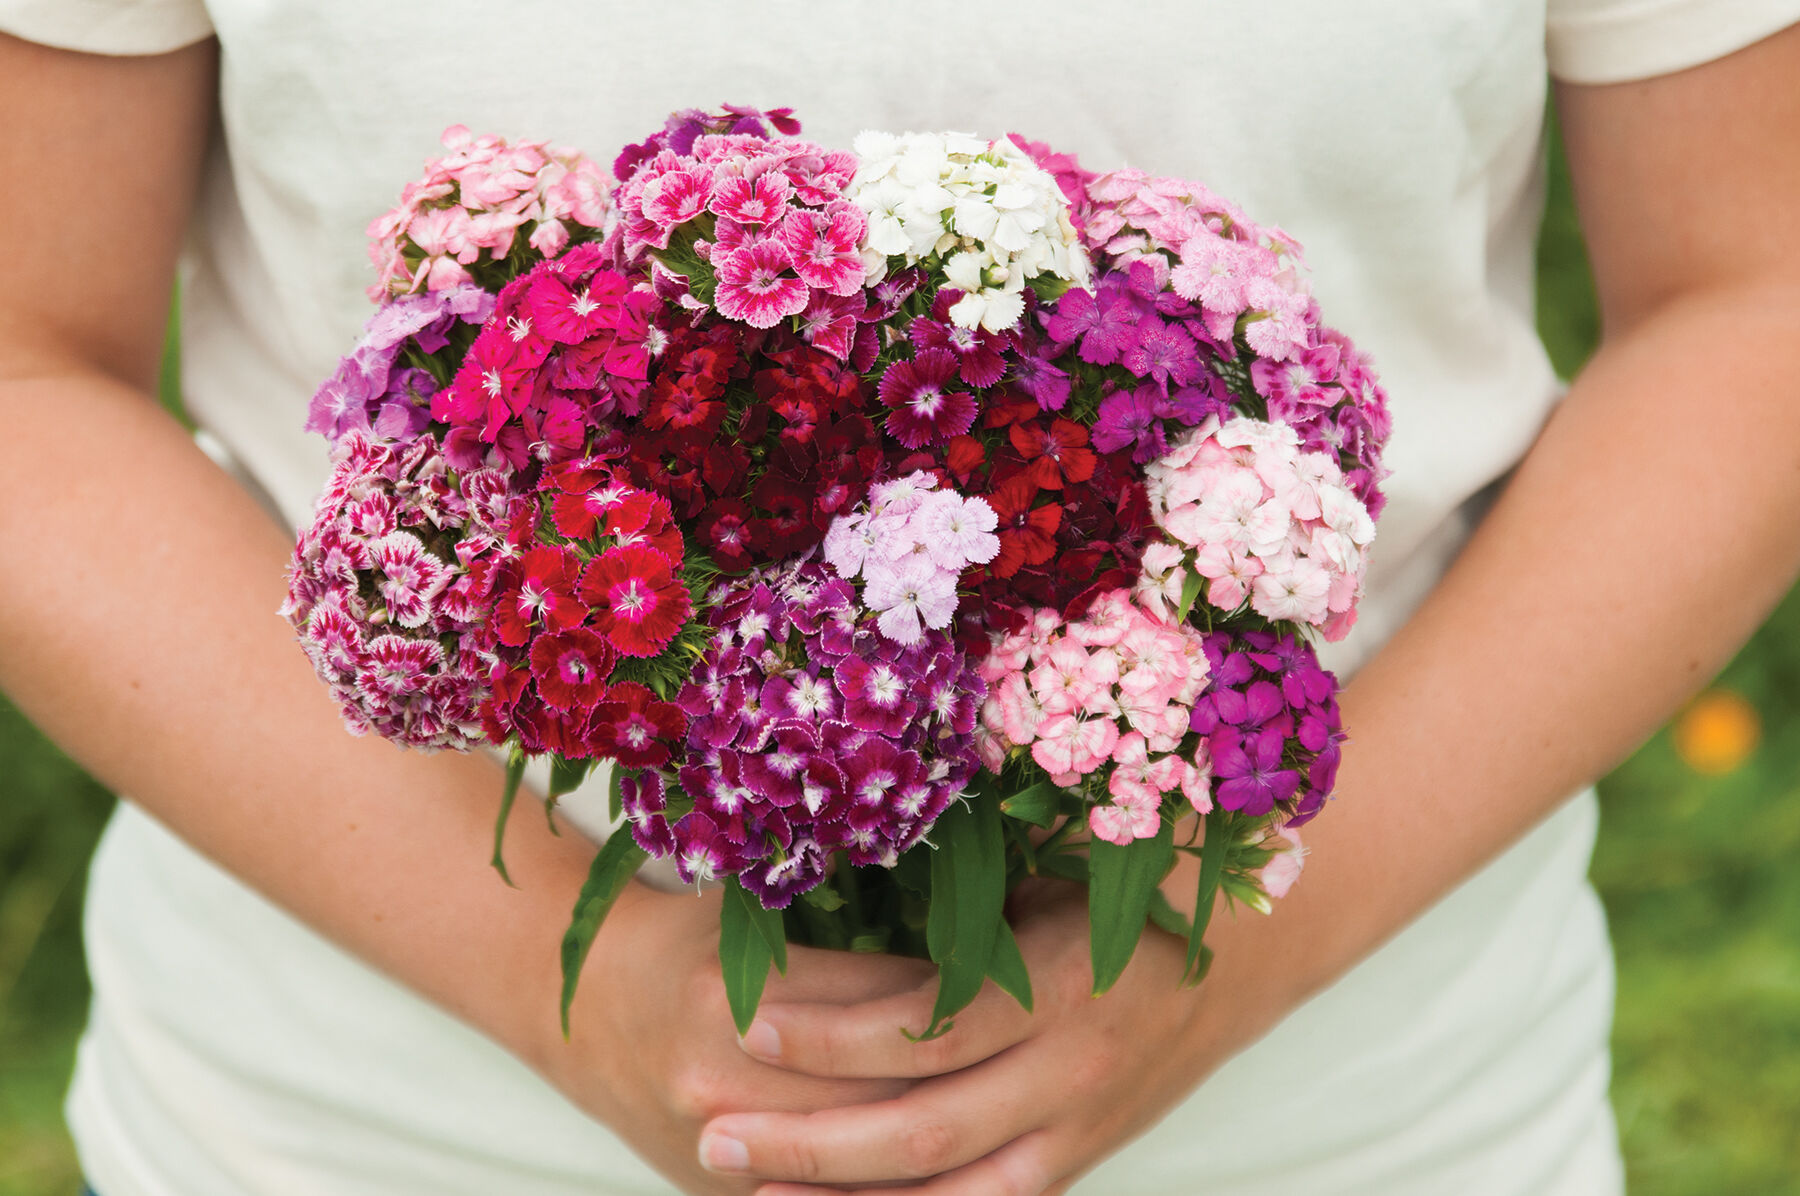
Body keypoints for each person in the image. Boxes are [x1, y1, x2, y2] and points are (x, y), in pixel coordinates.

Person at [2, 3, 1798, 1193]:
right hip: (369, 1128)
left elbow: (1752, 302)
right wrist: (586, 986)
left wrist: (1224, 953)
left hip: (1354, 1120)